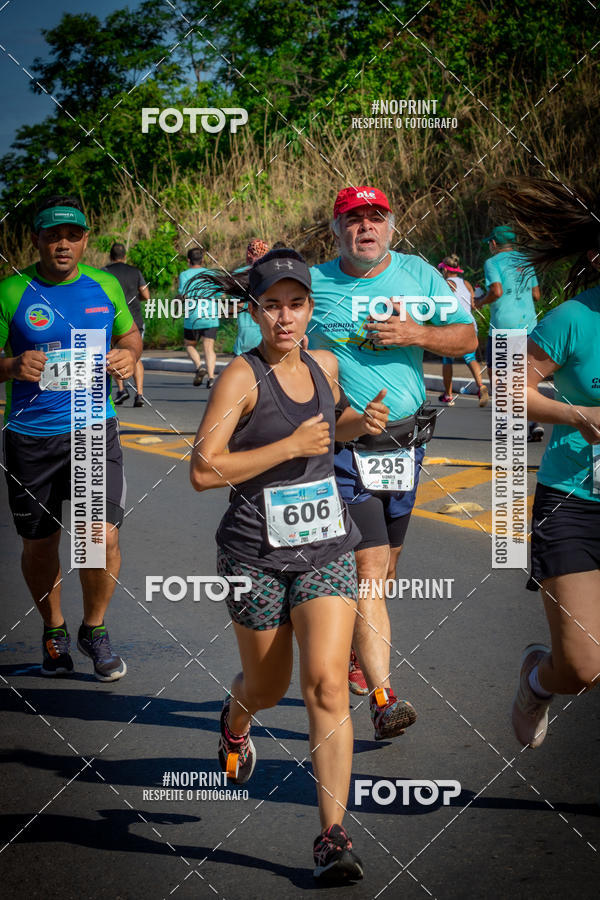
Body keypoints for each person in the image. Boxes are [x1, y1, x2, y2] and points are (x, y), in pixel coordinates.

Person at [190, 248, 390, 882]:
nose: (284, 317)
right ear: (255, 312)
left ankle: (333, 836)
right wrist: (289, 444)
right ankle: (235, 719)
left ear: (309, 309)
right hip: (253, 552)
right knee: (269, 687)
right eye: (271, 306)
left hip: (326, 546)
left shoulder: (325, 366)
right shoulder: (240, 378)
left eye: (296, 304)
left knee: (329, 685)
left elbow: (330, 432)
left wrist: (361, 422)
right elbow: (202, 469)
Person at [308, 186, 478, 736]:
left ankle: (361, 654)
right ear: (335, 230)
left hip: (406, 446)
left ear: (391, 226)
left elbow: (468, 335)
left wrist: (416, 333)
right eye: (353, 220)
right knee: (369, 570)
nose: (366, 228)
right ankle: (385, 698)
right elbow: (281, 348)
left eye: (376, 218)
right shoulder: (313, 283)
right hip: (346, 449)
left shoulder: (419, 275)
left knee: (386, 569)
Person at [0, 195, 142, 680]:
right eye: (52, 235)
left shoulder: (104, 284)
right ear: (36, 239)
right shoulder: (11, 291)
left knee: (97, 537)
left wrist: (129, 355)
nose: (63, 244)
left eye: (72, 235)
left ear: (86, 239)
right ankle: (54, 630)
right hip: (30, 438)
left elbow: (130, 336)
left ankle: (95, 630)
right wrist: (12, 365)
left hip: (91, 429)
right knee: (41, 545)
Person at [486, 177, 600, 749]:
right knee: (582, 667)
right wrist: (580, 415)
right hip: (575, 501)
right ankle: (538, 676)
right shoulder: (573, 320)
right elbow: (508, 391)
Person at [474, 225, 543, 439]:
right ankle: (535, 422)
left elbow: (496, 290)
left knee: (498, 375)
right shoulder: (526, 261)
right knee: (525, 376)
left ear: (494, 244)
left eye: (490, 243)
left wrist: (480, 302)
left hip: (504, 328)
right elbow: (537, 295)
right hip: (529, 326)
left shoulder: (492, 262)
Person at [436, 254, 489, 407]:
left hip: (454, 326)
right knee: (470, 357)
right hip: (470, 325)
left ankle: (448, 395)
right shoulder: (466, 284)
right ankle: (481, 386)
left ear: (445, 270)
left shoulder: (446, 284)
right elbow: (473, 305)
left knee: (447, 359)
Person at [103, 242, 149, 407]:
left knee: (114, 356)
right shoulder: (135, 271)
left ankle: (121, 390)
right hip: (134, 318)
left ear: (110, 256)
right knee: (135, 356)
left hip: (112, 320)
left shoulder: (104, 273)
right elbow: (146, 294)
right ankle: (140, 394)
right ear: (124, 256)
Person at [179, 247, 221, 388]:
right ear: (203, 260)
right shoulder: (211, 273)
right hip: (210, 315)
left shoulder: (184, 275)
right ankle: (211, 378)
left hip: (193, 316)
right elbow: (219, 295)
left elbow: (183, 295)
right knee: (209, 348)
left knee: (189, 345)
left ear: (188, 261)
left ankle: (199, 366)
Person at [232, 239, 269, 356]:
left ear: (248, 254)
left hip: (246, 337)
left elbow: (236, 306)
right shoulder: (272, 274)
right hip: (267, 336)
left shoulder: (239, 275)